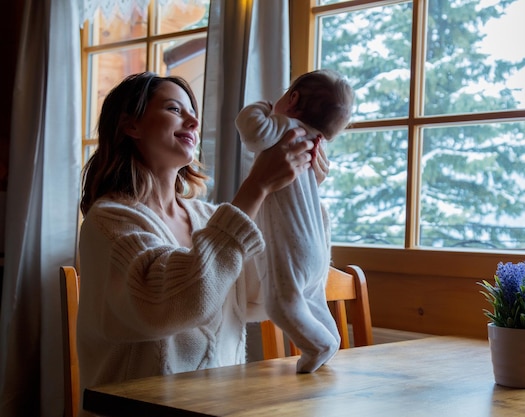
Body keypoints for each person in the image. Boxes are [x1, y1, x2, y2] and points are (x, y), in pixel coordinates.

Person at [77, 72, 327, 416]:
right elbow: (174, 304)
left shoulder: (209, 218)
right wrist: (256, 186)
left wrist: (302, 194)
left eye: (192, 111)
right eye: (174, 109)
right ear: (130, 126)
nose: (193, 120)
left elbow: (263, 294)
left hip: (222, 407)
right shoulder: (108, 221)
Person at [235, 69, 354, 372]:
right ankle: (330, 336)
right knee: (313, 299)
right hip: (316, 249)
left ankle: (318, 344)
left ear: (293, 98)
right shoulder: (314, 143)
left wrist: (262, 106)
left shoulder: (284, 127)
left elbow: (249, 129)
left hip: (292, 245)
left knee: (281, 304)